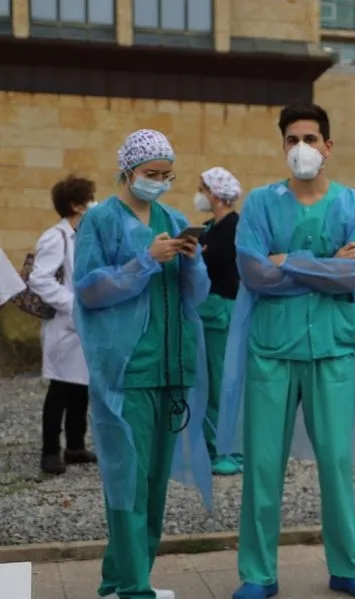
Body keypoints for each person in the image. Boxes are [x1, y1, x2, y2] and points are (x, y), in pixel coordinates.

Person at [215, 104, 355, 599]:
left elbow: (354, 273)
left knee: (337, 463)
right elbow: (254, 274)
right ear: (282, 146)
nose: (302, 148)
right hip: (271, 351)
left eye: (311, 139)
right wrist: (323, 265)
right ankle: (258, 574)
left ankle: (348, 567)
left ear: (328, 146)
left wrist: (287, 261)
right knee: (262, 465)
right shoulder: (260, 204)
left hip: (333, 349)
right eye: (293, 139)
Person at [73, 129, 213, 599]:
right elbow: (89, 290)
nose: (159, 182)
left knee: (153, 485)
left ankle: (122, 580)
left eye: (167, 175)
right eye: (152, 173)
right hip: (128, 370)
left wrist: (192, 262)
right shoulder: (101, 221)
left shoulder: (174, 219)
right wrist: (145, 261)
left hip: (171, 368)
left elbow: (196, 296)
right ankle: (134, 589)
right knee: (127, 481)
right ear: (128, 170)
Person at [29, 175, 98, 475]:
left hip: (84, 324)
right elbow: (40, 279)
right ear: (75, 205)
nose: (94, 204)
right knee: (60, 388)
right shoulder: (55, 237)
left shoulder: (82, 235)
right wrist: (71, 304)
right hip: (64, 324)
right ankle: (49, 450)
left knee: (81, 385)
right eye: (89, 199)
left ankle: (75, 444)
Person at [194, 166, 243, 476]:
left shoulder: (234, 228)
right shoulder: (208, 228)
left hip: (221, 313)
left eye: (202, 189)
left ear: (215, 193)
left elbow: (215, 262)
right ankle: (214, 446)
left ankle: (226, 449)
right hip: (206, 312)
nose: (199, 195)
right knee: (207, 382)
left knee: (221, 382)